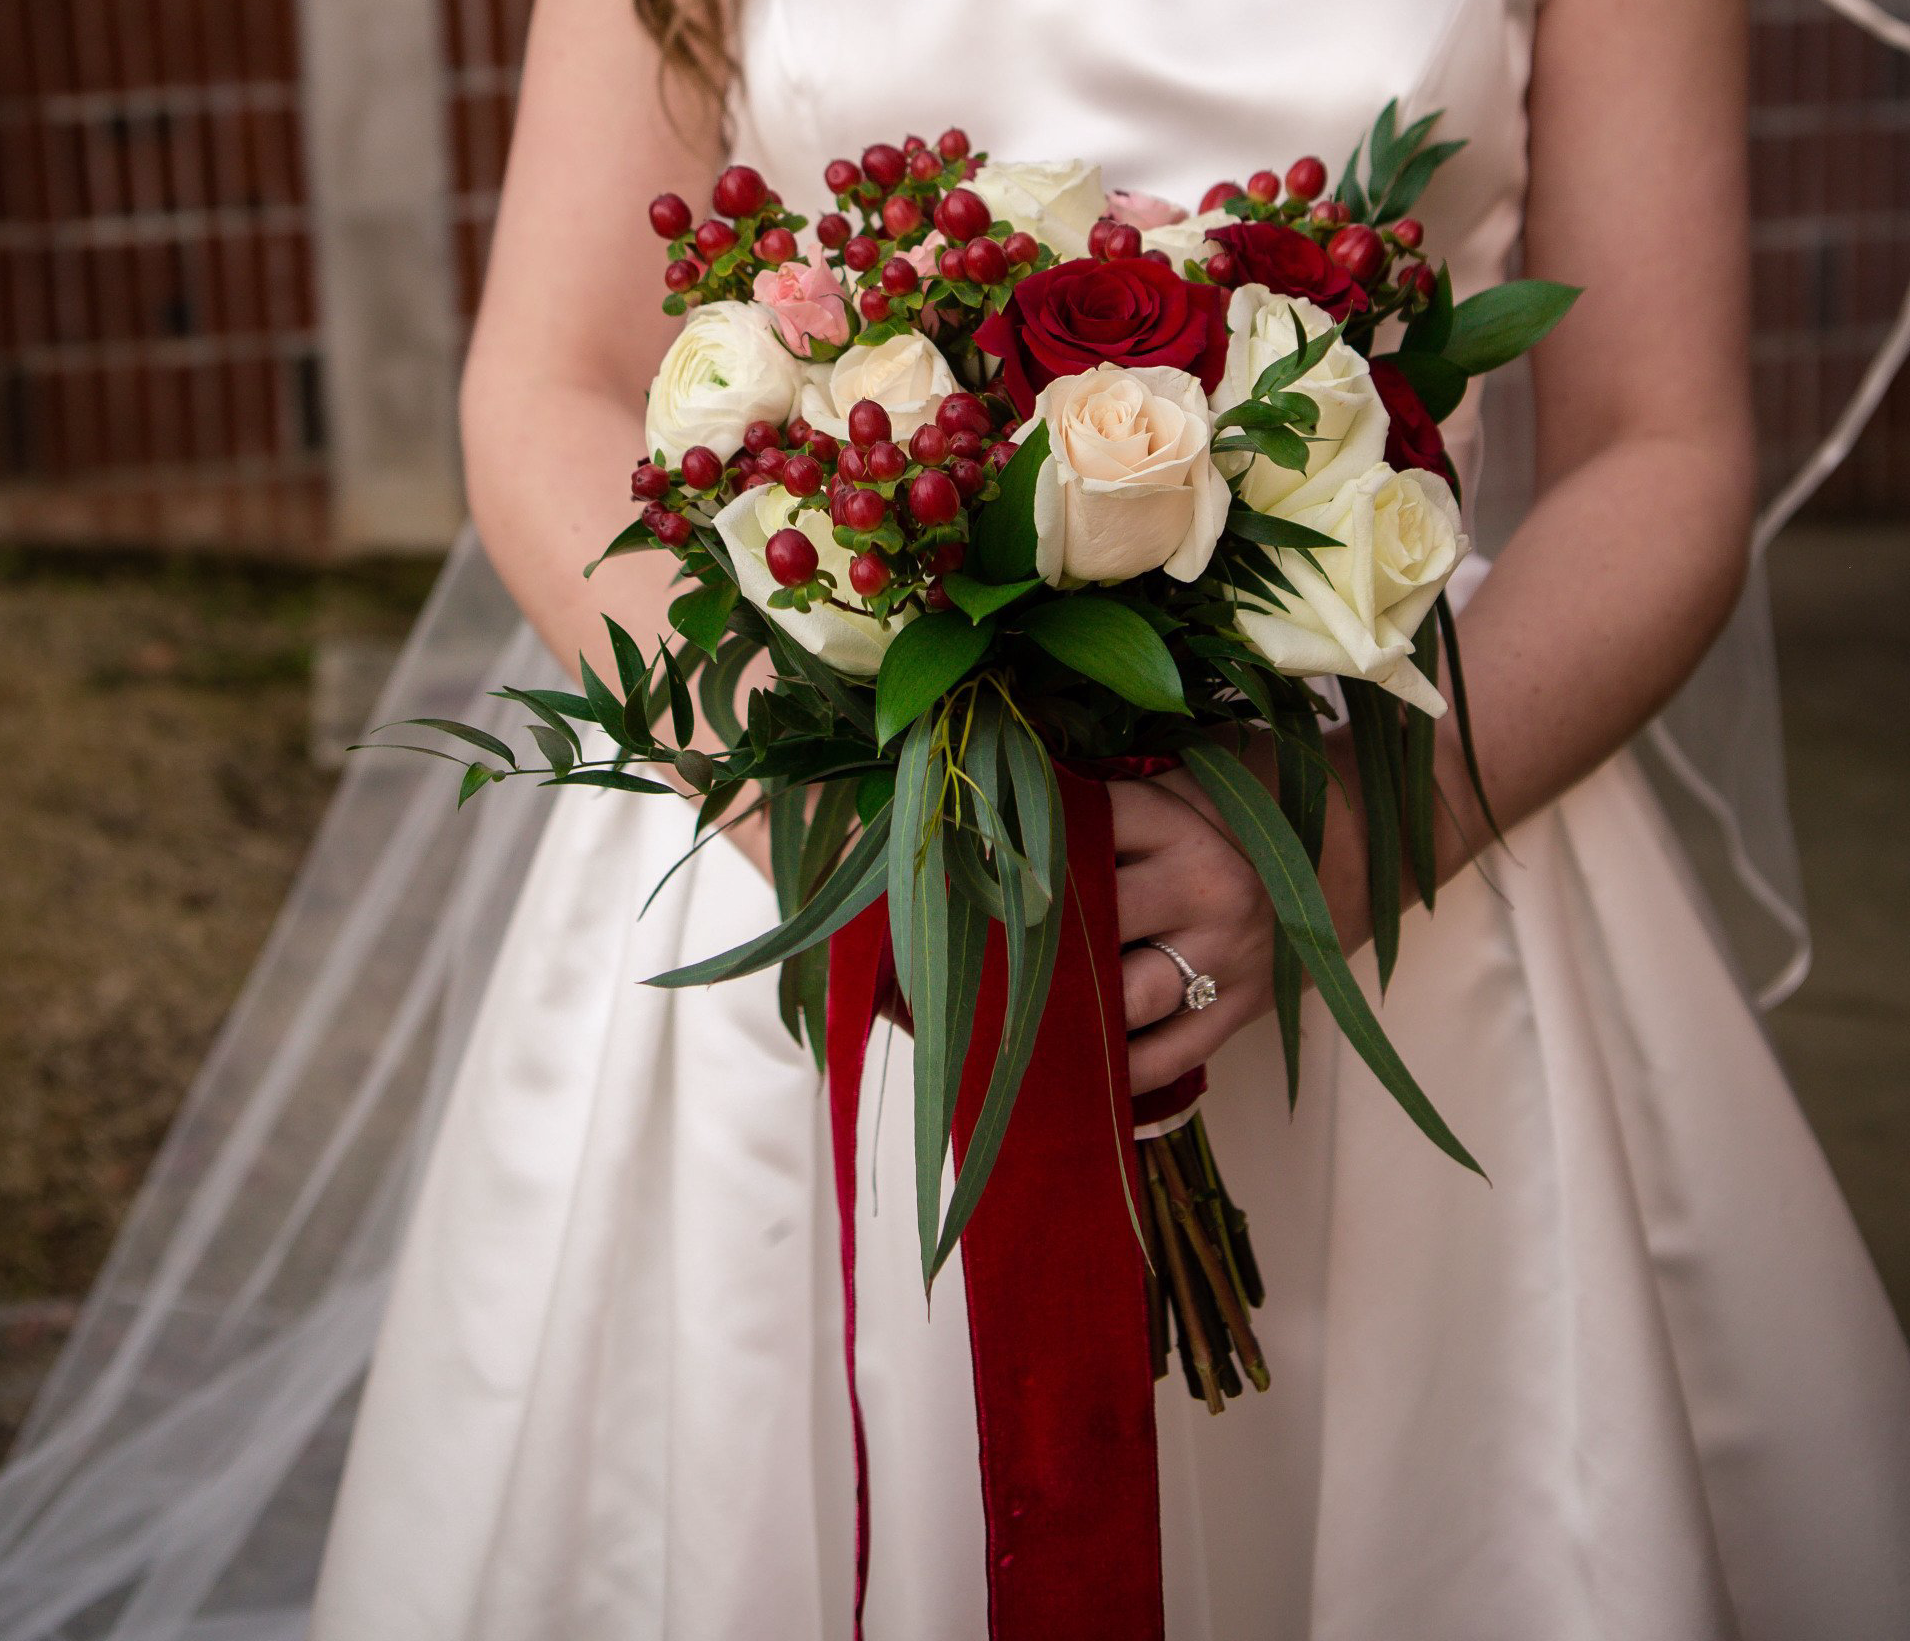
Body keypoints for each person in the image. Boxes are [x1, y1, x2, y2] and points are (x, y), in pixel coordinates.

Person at [10, 2, 1910, 1638]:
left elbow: (1663, 445)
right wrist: (809, 810)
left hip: (1406, 852)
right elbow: (550, 382)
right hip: (813, 829)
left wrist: (1327, 849)